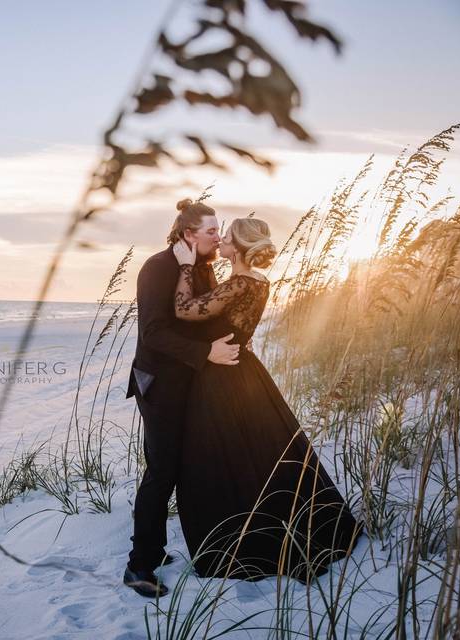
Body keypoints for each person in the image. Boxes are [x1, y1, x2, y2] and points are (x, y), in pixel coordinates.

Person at [171, 217, 365, 583]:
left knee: (223, 454)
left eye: (227, 237)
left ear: (240, 249)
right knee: (260, 452)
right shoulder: (257, 281)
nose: (222, 240)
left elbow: (184, 309)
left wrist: (184, 264)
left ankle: (245, 541)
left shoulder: (240, 283)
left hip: (223, 374)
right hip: (245, 367)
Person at [122, 198, 241, 598]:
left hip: (189, 382)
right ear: (189, 234)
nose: (217, 236)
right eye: (211, 230)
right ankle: (139, 566)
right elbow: (153, 333)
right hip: (158, 385)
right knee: (161, 472)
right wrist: (206, 353)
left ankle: (155, 550)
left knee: (184, 466)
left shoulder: (203, 268)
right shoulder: (157, 267)